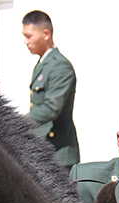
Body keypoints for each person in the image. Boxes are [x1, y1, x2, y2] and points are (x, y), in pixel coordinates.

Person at [21, 10, 80, 169]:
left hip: (60, 153)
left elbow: (51, 109)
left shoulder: (59, 66)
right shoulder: (43, 65)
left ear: (46, 34)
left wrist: (19, 123)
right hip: (47, 149)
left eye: (29, 36)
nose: (25, 42)